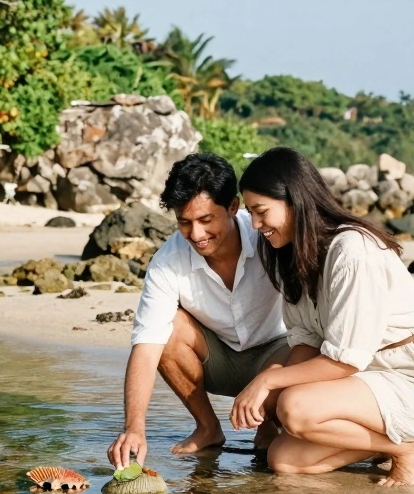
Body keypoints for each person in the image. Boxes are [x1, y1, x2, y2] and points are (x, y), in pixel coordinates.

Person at [231, 146, 414, 486]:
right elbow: (306, 344)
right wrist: (268, 408)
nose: (256, 224)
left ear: (296, 201)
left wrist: (267, 382)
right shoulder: (294, 256)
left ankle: (410, 448)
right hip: (368, 379)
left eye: (261, 211)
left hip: (413, 378)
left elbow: (345, 361)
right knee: (283, 458)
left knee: (295, 407)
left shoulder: (352, 252)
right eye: (251, 213)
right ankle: (386, 444)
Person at [107, 152, 289, 468]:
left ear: (233, 207)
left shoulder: (268, 238)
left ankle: (268, 425)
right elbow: (146, 348)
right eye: (184, 222)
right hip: (216, 361)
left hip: (276, 358)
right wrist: (134, 427)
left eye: (206, 220)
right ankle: (208, 427)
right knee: (168, 328)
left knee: (300, 348)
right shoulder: (167, 261)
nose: (196, 235)